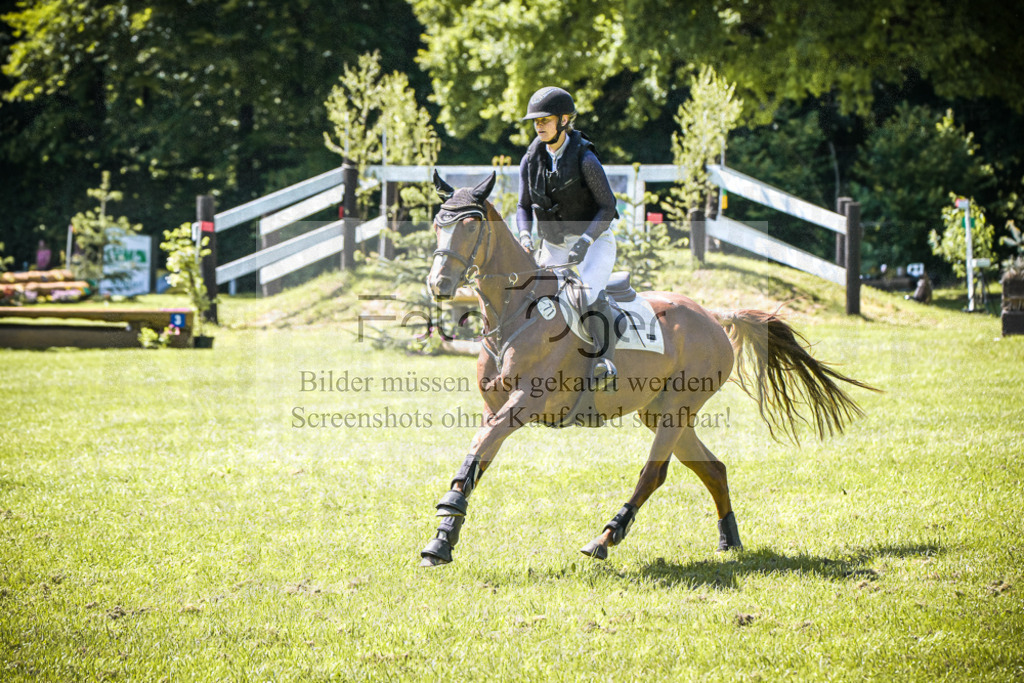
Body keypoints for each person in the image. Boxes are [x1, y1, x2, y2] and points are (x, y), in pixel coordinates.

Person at [516, 86, 619, 390]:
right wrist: (524, 234)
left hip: (594, 240)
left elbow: (608, 206)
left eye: (545, 120)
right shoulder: (530, 160)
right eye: (535, 121)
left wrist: (586, 240)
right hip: (555, 245)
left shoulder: (585, 159)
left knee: (586, 295)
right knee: (533, 296)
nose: (538, 126)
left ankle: (604, 360)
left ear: (563, 120)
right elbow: (523, 205)